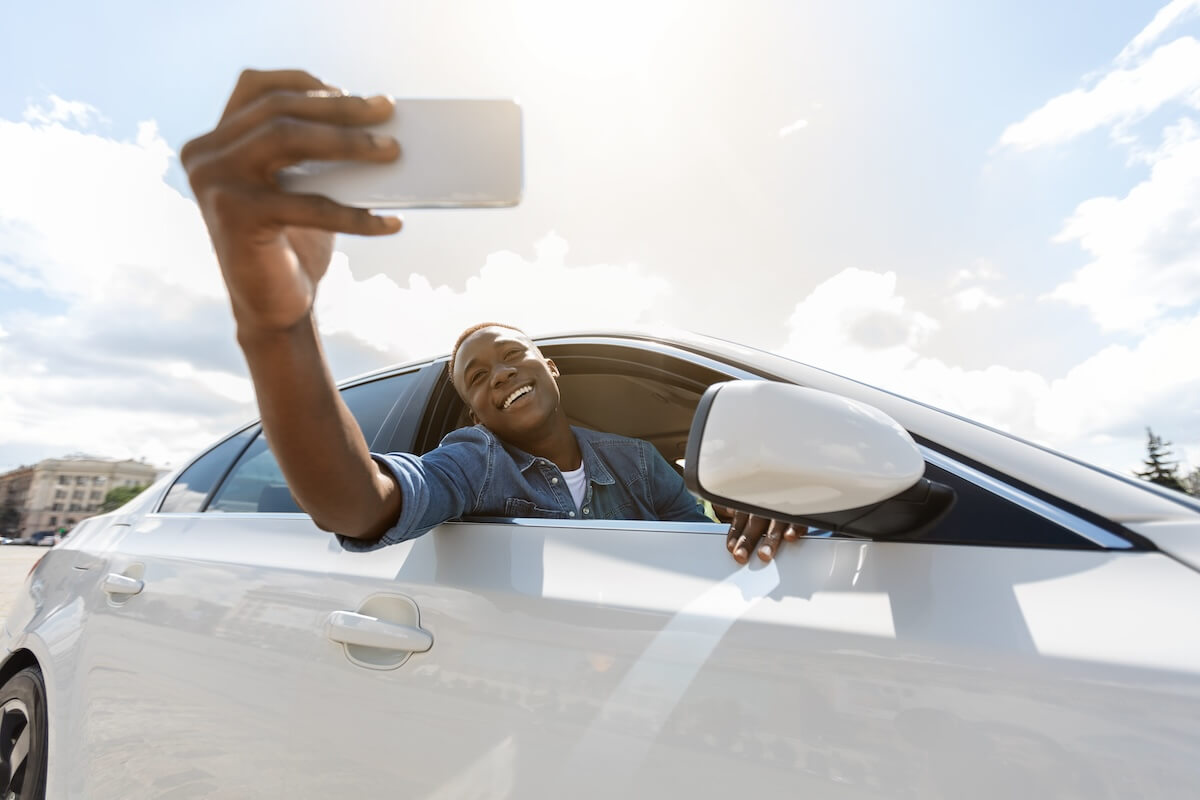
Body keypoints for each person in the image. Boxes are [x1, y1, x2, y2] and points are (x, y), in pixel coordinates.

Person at [181, 68, 801, 563]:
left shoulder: (637, 462)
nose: (498, 375)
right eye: (476, 378)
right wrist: (277, 325)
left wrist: (746, 515)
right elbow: (356, 505)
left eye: (510, 356)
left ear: (550, 369)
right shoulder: (475, 462)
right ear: (474, 412)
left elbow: (704, 546)